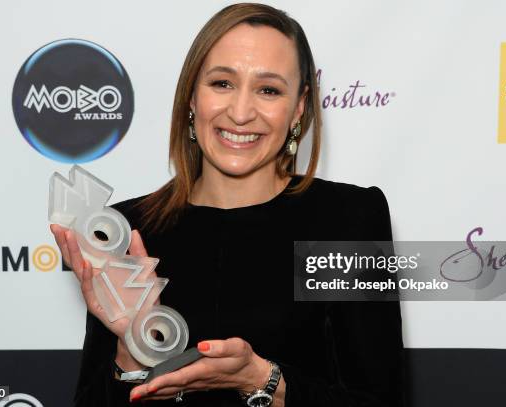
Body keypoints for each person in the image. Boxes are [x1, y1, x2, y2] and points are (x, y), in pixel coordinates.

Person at [50, 3, 405, 406]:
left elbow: (383, 401)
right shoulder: (129, 230)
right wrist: (134, 348)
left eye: (268, 90)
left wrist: (263, 381)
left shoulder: (350, 220)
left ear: (299, 108)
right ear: (191, 97)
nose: (240, 112)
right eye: (222, 83)